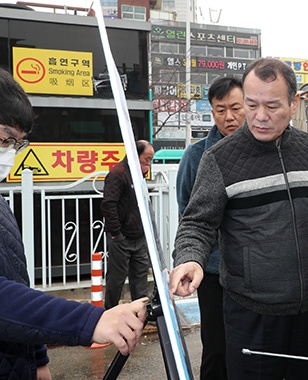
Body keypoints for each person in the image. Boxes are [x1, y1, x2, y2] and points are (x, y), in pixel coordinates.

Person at [170, 58, 308, 380]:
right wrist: (190, 258)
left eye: (272, 106)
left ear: (294, 102)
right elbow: (197, 222)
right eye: (252, 104)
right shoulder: (218, 158)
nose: (260, 116)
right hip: (251, 314)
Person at [0, 68, 147, 380]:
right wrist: (91, 321)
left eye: (18, 144)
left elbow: (16, 282)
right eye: (5, 139)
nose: (10, 153)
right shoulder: (117, 174)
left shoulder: (1, 204)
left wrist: (39, 359)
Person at [176, 77, 245, 380]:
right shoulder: (197, 155)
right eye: (220, 110)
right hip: (214, 271)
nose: (228, 117)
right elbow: (188, 211)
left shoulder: (261, 149)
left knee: (250, 349)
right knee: (216, 348)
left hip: (254, 272)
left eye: (235, 108)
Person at [101, 139, 154, 309]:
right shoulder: (118, 173)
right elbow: (109, 204)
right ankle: (110, 312)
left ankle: (141, 313)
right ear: (135, 154)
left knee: (140, 278)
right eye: (147, 158)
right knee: (116, 278)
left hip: (138, 235)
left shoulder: (138, 173)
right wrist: (116, 232)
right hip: (121, 236)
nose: (148, 163)